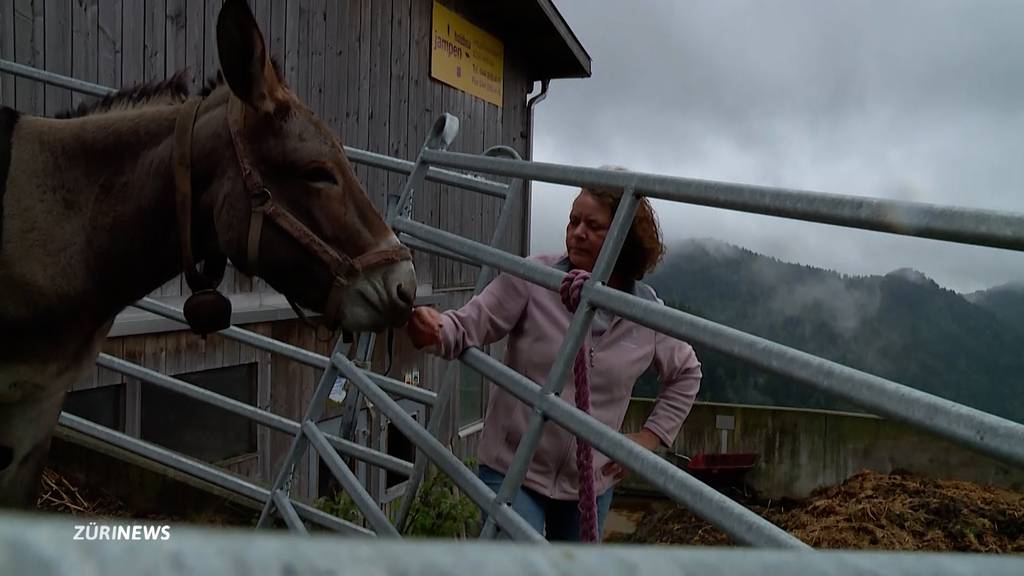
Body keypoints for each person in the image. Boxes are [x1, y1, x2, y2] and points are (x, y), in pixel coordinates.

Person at [405, 176, 702, 542]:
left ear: (625, 240)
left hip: (590, 481)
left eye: (593, 226)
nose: (577, 233)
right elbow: (469, 324)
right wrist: (435, 330)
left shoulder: (646, 312)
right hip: (513, 467)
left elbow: (686, 374)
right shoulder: (534, 278)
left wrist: (648, 440)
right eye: (573, 221)